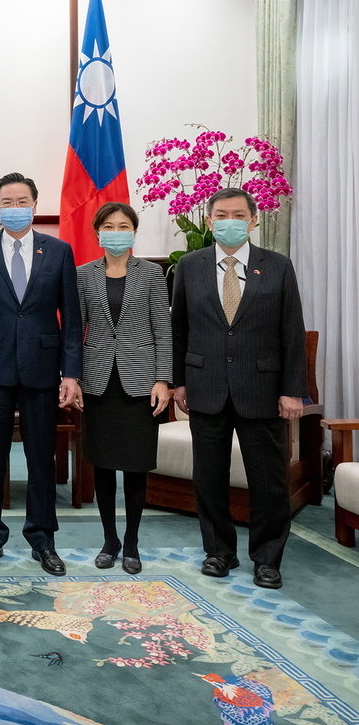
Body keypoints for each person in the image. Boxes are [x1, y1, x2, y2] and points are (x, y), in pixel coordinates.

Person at [171, 187, 306, 589]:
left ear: (253, 220)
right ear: (209, 221)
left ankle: (267, 559)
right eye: (221, 215)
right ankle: (219, 552)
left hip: (262, 389)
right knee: (208, 478)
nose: (229, 221)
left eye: (238, 214)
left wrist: (292, 390)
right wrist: (180, 382)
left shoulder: (277, 266)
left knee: (269, 481)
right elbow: (179, 330)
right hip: (205, 386)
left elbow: (292, 333)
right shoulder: (189, 266)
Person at [0, 171, 82, 575]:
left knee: (41, 459)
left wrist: (71, 373)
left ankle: (43, 540)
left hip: (43, 368)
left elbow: (72, 317)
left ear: (35, 204)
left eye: (22, 202)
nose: (14, 208)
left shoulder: (59, 251)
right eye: (7, 203)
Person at [75, 202, 171, 575]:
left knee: (135, 466)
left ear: (134, 231)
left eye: (123, 226)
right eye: (109, 226)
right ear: (97, 232)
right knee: (102, 465)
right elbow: (75, 331)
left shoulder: (152, 273)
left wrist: (163, 380)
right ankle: (109, 540)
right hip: (98, 381)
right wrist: (73, 378)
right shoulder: (83, 275)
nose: (116, 232)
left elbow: (163, 331)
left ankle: (131, 543)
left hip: (140, 383)